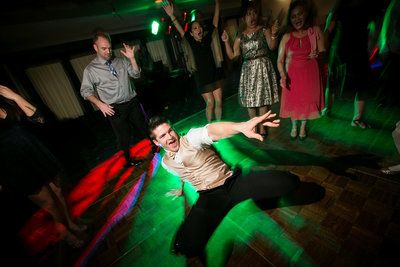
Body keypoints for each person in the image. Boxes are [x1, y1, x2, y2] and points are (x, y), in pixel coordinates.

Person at [148, 111, 300, 260]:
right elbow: (182, 172)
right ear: (156, 142)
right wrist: (181, 188)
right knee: (188, 247)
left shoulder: (192, 138)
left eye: (170, 131)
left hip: (232, 182)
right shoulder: (165, 163)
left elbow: (213, 130)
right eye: (163, 136)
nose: (170, 137)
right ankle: (185, 236)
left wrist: (241, 127)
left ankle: (258, 192)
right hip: (209, 196)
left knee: (289, 182)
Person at [0, 85, 86, 248]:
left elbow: (39, 118)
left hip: (35, 154)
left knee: (59, 192)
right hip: (16, 166)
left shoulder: (6, 104)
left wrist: (15, 96)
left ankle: (69, 222)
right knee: (50, 204)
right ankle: (65, 234)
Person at [80, 31, 153, 167]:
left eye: (109, 47)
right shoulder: (91, 70)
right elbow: (85, 91)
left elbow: (136, 74)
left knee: (144, 126)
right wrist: (99, 104)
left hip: (132, 102)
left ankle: (156, 145)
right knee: (123, 136)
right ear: (95, 47)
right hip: (114, 108)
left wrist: (132, 59)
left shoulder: (121, 61)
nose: (108, 51)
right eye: (104, 48)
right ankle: (128, 160)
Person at [221, 0, 280, 137]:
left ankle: (263, 127)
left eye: (254, 13)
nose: (252, 16)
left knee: (263, 99)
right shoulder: (240, 36)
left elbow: (272, 46)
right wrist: (225, 42)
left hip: (263, 66)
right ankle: (253, 125)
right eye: (248, 14)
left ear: (257, 15)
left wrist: (274, 34)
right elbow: (232, 55)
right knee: (250, 101)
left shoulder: (264, 30)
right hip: (248, 69)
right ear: (243, 18)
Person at [163, 0, 224, 123]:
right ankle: (210, 126)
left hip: (214, 75)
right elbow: (180, 29)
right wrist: (171, 15)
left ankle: (218, 125)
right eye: (195, 28)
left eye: (200, 27)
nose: (199, 29)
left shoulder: (206, 40)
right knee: (210, 103)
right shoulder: (191, 42)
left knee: (219, 101)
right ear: (191, 33)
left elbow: (215, 23)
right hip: (201, 78)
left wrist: (217, 3)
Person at [327, 0, 382, 129]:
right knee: (334, 79)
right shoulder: (342, 3)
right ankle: (327, 109)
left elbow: (377, 23)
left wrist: (373, 42)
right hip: (342, 48)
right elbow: (330, 24)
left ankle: (356, 118)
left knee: (361, 83)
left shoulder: (367, 4)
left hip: (358, 48)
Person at [277, 0, 325, 140]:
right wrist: (282, 75)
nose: (297, 18)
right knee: (294, 101)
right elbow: (279, 60)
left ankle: (303, 126)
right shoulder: (286, 37)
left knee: (307, 100)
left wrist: (318, 54)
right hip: (292, 75)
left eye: (300, 14)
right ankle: (294, 125)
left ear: (306, 15)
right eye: (293, 16)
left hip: (310, 73)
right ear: (290, 19)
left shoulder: (314, 31)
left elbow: (323, 50)